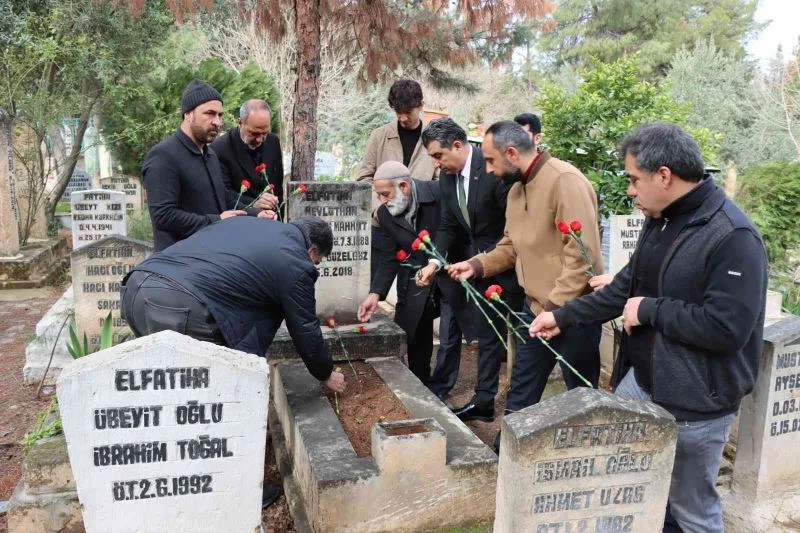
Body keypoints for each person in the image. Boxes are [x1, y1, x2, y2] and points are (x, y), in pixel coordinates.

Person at [530, 123, 768, 533]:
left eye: (633, 179)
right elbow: (626, 287)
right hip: (640, 385)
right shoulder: (659, 218)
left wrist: (652, 310)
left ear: (664, 176)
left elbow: (728, 329)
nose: (630, 190)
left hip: (696, 405)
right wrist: (563, 316)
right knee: (633, 494)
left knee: (691, 512)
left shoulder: (733, 237)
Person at [446, 120, 603, 447]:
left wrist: (554, 310)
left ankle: (584, 464)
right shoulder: (516, 190)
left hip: (573, 314)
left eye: (490, 161)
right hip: (536, 313)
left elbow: (581, 257)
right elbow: (510, 245)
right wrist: (476, 265)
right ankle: (508, 461)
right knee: (520, 395)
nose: (487, 170)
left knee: (582, 399)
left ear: (512, 153)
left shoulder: (565, 182)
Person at [416, 118, 523, 421]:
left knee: (521, 336)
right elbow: (449, 225)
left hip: (511, 263)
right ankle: (485, 401)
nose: (437, 165)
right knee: (488, 334)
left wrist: (491, 260)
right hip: (477, 267)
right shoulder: (448, 178)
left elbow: (513, 224)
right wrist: (434, 262)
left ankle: (522, 404)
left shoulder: (492, 171)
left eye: (439, 156)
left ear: (458, 146)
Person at [357, 161, 472, 394]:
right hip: (417, 276)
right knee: (415, 332)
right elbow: (390, 255)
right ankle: (420, 384)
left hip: (451, 271)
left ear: (404, 186)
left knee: (449, 337)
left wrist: (444, 264)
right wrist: (375, 294)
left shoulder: (439, 193)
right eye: (378, 195)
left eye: (385, 194)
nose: (381, 201)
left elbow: (457, 233)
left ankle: (440, 389)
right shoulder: (385, 214)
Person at [142, 80, 273, 251]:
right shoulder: (164, 156)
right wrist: (216, 220)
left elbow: (222, 198)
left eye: (220, 115)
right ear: (187, 114)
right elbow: (163, 216)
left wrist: (256, 214)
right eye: (210, 114)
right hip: (177, 263)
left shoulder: (210, 155)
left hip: (210, 258)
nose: (217, 122)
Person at [356, 79, 437, 282]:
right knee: (374, 288)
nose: (402, 117)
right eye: (397, 111)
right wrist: (379, 210)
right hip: (382, 229)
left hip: (418, 231)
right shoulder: (379, 136)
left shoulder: (433, 139)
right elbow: (364, 179)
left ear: (421, 105)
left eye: (408, 112)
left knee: (412, 295)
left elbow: (440, 182)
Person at [210, 99, 284, 213]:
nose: (260, 139)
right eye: (254, 133)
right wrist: (254, 203)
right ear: (240, 123)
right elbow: (224, 193)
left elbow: (278, 188)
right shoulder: (219, 149)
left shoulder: (273, 142)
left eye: (265, 132)